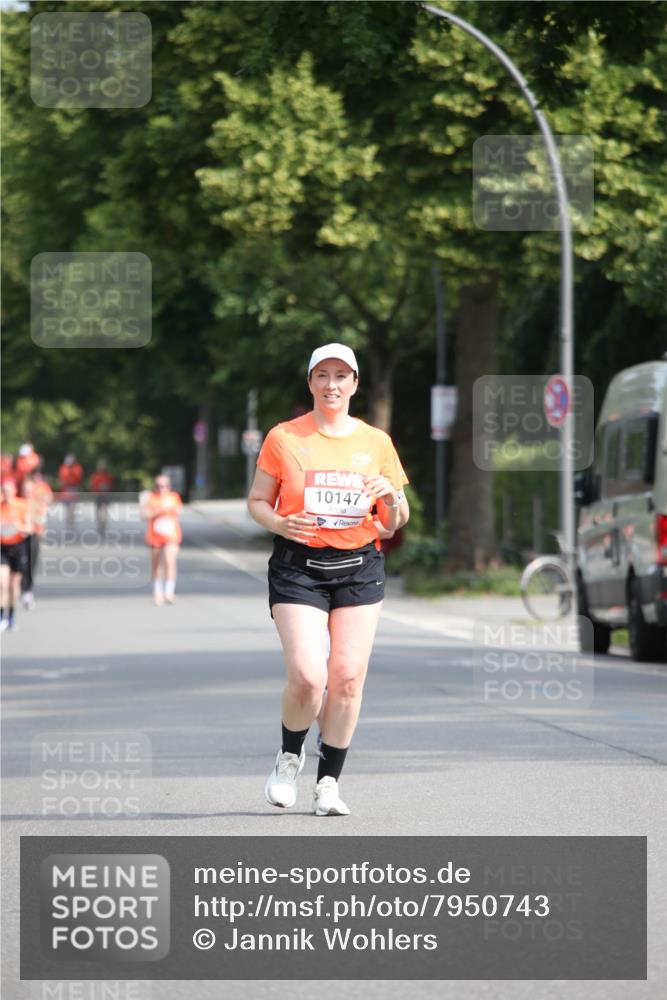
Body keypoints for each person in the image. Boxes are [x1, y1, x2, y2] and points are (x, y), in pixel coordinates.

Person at [247, 343, 409, 816]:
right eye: (323, 375)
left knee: (347, 678)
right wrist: (279, 523)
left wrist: (392, 498)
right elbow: (258, 501)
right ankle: (289, 757)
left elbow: (397, 519)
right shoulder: (284, 437)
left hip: (359, 567)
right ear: (311, 382)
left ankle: (328, 784)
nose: (332, 384)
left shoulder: (376, 442)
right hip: (299, 567)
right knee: (308, 676)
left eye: (342, 376)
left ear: (355, 384)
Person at [140, 474, 183, 605]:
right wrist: (158, 510)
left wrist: (170, 507)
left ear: (169, 487)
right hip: (155, 537)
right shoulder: (151, 499)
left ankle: (169, 592)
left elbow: (179, 510)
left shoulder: (174, 497)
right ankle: (158, 592)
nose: (161, 489)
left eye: (164, 486)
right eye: (158, 486)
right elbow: (144, 515)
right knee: (156, 565)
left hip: (171, 536)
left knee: (170, 562)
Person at [19, 470, 53, 609]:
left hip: (34, 535)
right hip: (19, 538)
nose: (27, 492)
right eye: (24, 490)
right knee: (19, 565)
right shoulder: (17, 503)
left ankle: (28, 590)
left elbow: (42, 516)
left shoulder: (37, 503)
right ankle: (20, 587)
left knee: (31, 564)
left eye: (29, 490)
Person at [0, 477, 31, 631]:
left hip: (18, 548)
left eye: (8, 490)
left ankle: (11, 616)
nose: (6, 493)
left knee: (13, 585)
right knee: (2, 583)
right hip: (2, 548)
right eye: (3, 490)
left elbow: (30, 528)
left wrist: (19, 527)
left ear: (14, 491)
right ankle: (1, 617)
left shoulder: (21, 506)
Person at [58, 454, 84, 531]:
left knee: (72, 508)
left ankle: (71, 525)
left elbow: (78, 479)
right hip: (65, 491)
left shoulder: (77, 468)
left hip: (73, 489)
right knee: (67, 509)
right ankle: (68, 525)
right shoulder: (63, 468)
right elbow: (61, 480)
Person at [90, 459, 115, 537]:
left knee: (103, 512)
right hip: (99, 496)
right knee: (99, 512)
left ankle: (102, 526)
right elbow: (93, 487)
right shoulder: (95, 477)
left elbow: (111, 486)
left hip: (104, 496)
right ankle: (100, 526)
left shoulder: (108, 477)